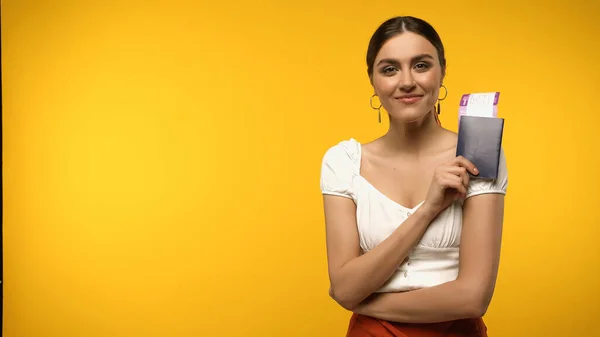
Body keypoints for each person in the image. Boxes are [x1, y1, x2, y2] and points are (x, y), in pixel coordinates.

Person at [319, 16, 507, 337]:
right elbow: (344, 285)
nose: (406, 81)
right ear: (373, 81)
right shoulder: (344, 162)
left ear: (442, 71)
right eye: (390, 69)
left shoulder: (476, 154)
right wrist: (429, 209)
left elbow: (474, 298)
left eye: (421, 65)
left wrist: (364, 303)